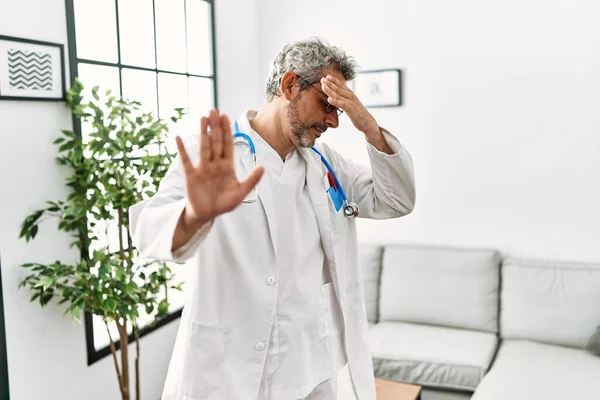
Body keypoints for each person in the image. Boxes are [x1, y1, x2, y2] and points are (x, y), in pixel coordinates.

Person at [130, 37, 416, 400]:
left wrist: (368, 125)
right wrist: (194, 214)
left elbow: (397, 199)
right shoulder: (211, 154)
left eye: (341, 110)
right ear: (290, 84)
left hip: (308, 370)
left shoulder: (328, 166)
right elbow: (148, 230)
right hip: (227, 375)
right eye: (328, 104)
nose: (333, 120)